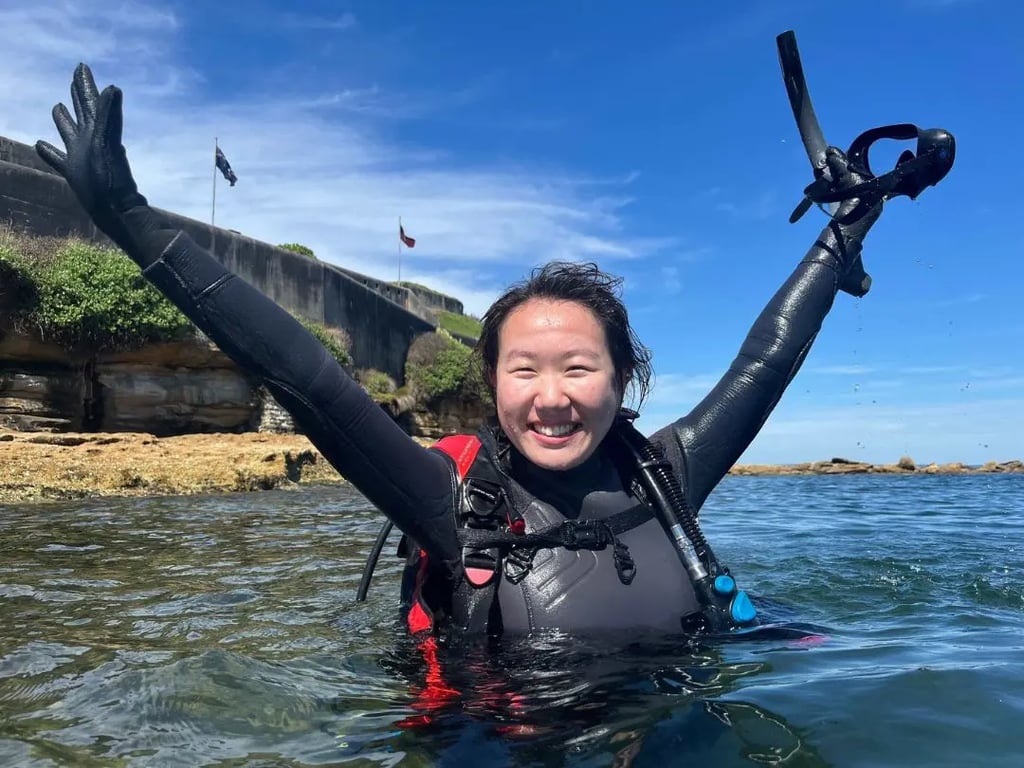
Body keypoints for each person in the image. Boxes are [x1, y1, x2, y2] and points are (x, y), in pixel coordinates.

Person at [36, 62, 893, 640]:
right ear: (492, 382)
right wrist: (131, 222)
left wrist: (843, 232)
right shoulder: (447, 505)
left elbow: (763, 362)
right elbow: (306, 379)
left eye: (579, 368)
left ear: (623, 379)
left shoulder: (669, 474)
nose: (550, 396)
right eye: (524, 370)